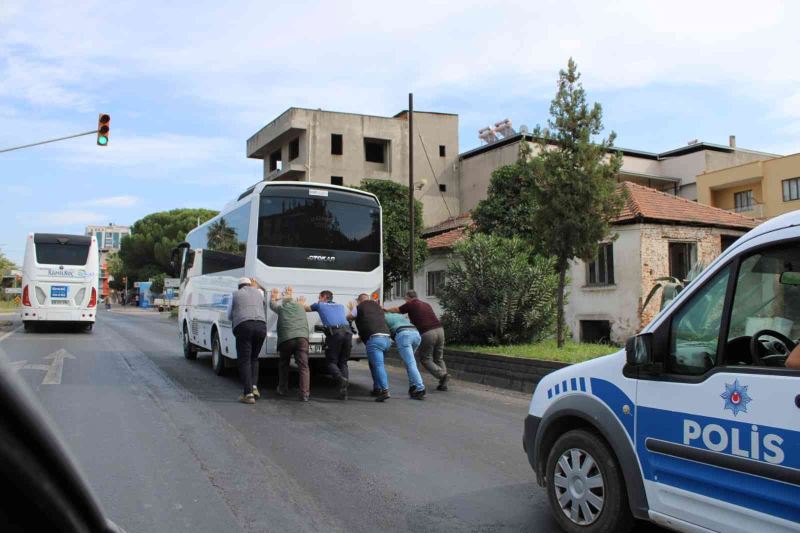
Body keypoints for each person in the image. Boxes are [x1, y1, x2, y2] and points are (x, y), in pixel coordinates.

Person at [385, 290, 449, 391]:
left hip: (427, 332)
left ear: (408, 297)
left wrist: (385, 310)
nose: (405, 301)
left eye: (405, 299)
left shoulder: (410, 304)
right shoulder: (426, 304)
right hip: (440, 330)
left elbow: (396, 309)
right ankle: (443, 381)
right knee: (438, 357)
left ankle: (442, 375)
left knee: (425, 359)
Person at [302, 290, 352, 400]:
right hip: (348, 333)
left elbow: (304, 309)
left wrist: (300, 303)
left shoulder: (319, 305)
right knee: (343, 362)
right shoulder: (340, 306)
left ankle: (340, 379)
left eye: (319, 297)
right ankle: (344, 391)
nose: (318, 299)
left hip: (335, 334)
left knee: (331, 362)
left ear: (324, 297)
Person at [227, 277, 267, 404]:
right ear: (250, 285)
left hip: (244, 326)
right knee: (254, 358)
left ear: (239, 286)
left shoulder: (234, 294)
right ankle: (254, 387)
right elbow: (262, 291)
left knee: (244, 360)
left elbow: (229, 315)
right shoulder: (259, 293)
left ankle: (248, 394)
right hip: (261, 326)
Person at [269, 287, 311, 402]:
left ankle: (282, 388)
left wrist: (273, 298)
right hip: (302, 339)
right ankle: (305, 394)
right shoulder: (301, 307)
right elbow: (299, 304)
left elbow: (272, 305)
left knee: (284, 363)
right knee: (304, 366)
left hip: (287, 339)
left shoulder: (282, 307)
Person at [348, 294, 392, 402]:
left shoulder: (359, 307)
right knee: (374, 364)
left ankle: (385, 390)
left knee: (378, 365)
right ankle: (377, 388)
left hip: (375, 340)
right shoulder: (378, 306)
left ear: (359, 301)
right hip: (387, 339)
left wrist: (351, 309)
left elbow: (348, 317)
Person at [384, 312, 426, 399]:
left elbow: (384, 332)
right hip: (416, 334)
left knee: (410, 363)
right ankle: (412, 386)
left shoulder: (382, 317)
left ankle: (420, 388)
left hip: (403, 335)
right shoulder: (398, 315)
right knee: (410, 362)